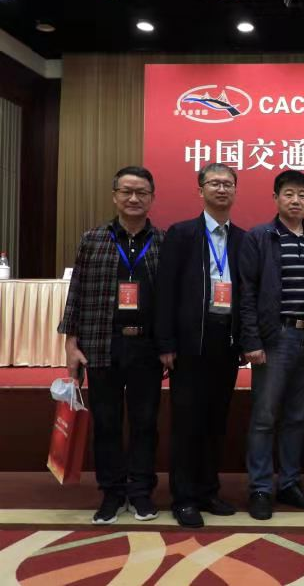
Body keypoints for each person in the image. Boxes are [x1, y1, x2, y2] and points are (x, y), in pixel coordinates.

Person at [58, 166, 164, 524]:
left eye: (141, 192)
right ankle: (112, 492)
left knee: (145, 422)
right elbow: (76, 293)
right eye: (127, 191)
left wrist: (169, 345)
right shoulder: (93, 239)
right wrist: (71, 343)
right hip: (102, 343)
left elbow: (172, 299)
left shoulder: (164, 242)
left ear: (152, 198)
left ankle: (140, 491)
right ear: (115, 196)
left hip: (147, 347)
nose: (134, 198)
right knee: (106, 422)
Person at [155, 163, 245, 528]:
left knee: (215, 421)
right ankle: (184, 498)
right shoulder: (182, 234)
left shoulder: (242, 238)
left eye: (228, 184)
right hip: (190, 344)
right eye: (214, 183)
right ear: (201, 190)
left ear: (235, 190)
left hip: (226, 343)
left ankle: (209, 490)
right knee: (187, 422)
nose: (222, 189)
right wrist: (166, 343)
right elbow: (165, 291)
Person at [239, 169, 304, 520]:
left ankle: (289, 483)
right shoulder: (260, 237)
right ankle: (261, 487)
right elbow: (247, 292)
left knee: (296, 416)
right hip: (276, 337)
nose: (295, 200)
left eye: (302, 195)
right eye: (288, 193)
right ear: (276, 198)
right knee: (264, 416)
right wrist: (252, 340)